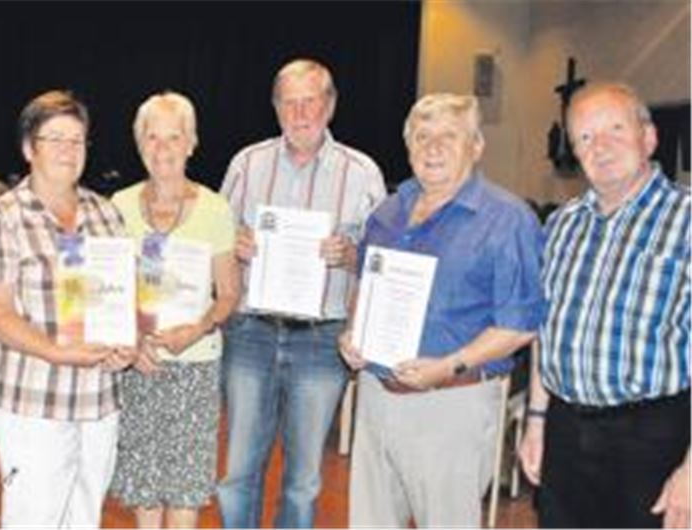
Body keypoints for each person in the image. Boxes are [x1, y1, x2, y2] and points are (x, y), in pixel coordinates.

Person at [339, 92, 543, 527]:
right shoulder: (387, 213)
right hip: (376, 396)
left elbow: (521, 325)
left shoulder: (508, 219)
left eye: (449, 136)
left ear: (476, 146)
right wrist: (351, 334)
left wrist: (448, 366)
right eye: (422, 136)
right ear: (408, 146)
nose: (433, 148)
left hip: (453, 404)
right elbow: (364, 287)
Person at [217, 58, 387, 528]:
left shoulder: (363, 173)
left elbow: (381, 263)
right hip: (250, 333)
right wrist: (233, 246)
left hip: (321, 340)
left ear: (330, 105)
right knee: (237, 474)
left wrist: (352, 255)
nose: (300, 113)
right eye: (288, 102)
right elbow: (217, 244)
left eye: (310, 100)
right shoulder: (246, 164)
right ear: (275, 108)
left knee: (305, 480)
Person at [519, 83, 690, 529]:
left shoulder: (687, 221)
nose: (602, 146)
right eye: (586, 137)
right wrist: (536, 420)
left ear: (649, 138)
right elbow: (546, 328)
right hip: (565, 433)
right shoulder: (561, 224)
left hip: (655, 439)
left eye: (615, 129)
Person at [0, 90, 137, 527]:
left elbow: (120, 301)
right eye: (56, 139)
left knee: (85, 518)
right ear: (29, 148)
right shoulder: (5, 215)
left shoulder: (107, 214)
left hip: (98, 400)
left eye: (78, 140)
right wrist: (57, 351)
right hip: (35, 401)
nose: (69, 150)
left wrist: (125, 346)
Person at [109, 92, 240, 528]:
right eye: (152, 138)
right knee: (145, 491)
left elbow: (229, 295)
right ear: (138, 143)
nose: (162, 149)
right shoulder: (118, 208)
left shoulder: (217, 209)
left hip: (195, 365)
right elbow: (107, 292)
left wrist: (198, 329)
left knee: (185, 493)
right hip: (137, 366)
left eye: (174, 137)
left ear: (192, 142)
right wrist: (130, 342)